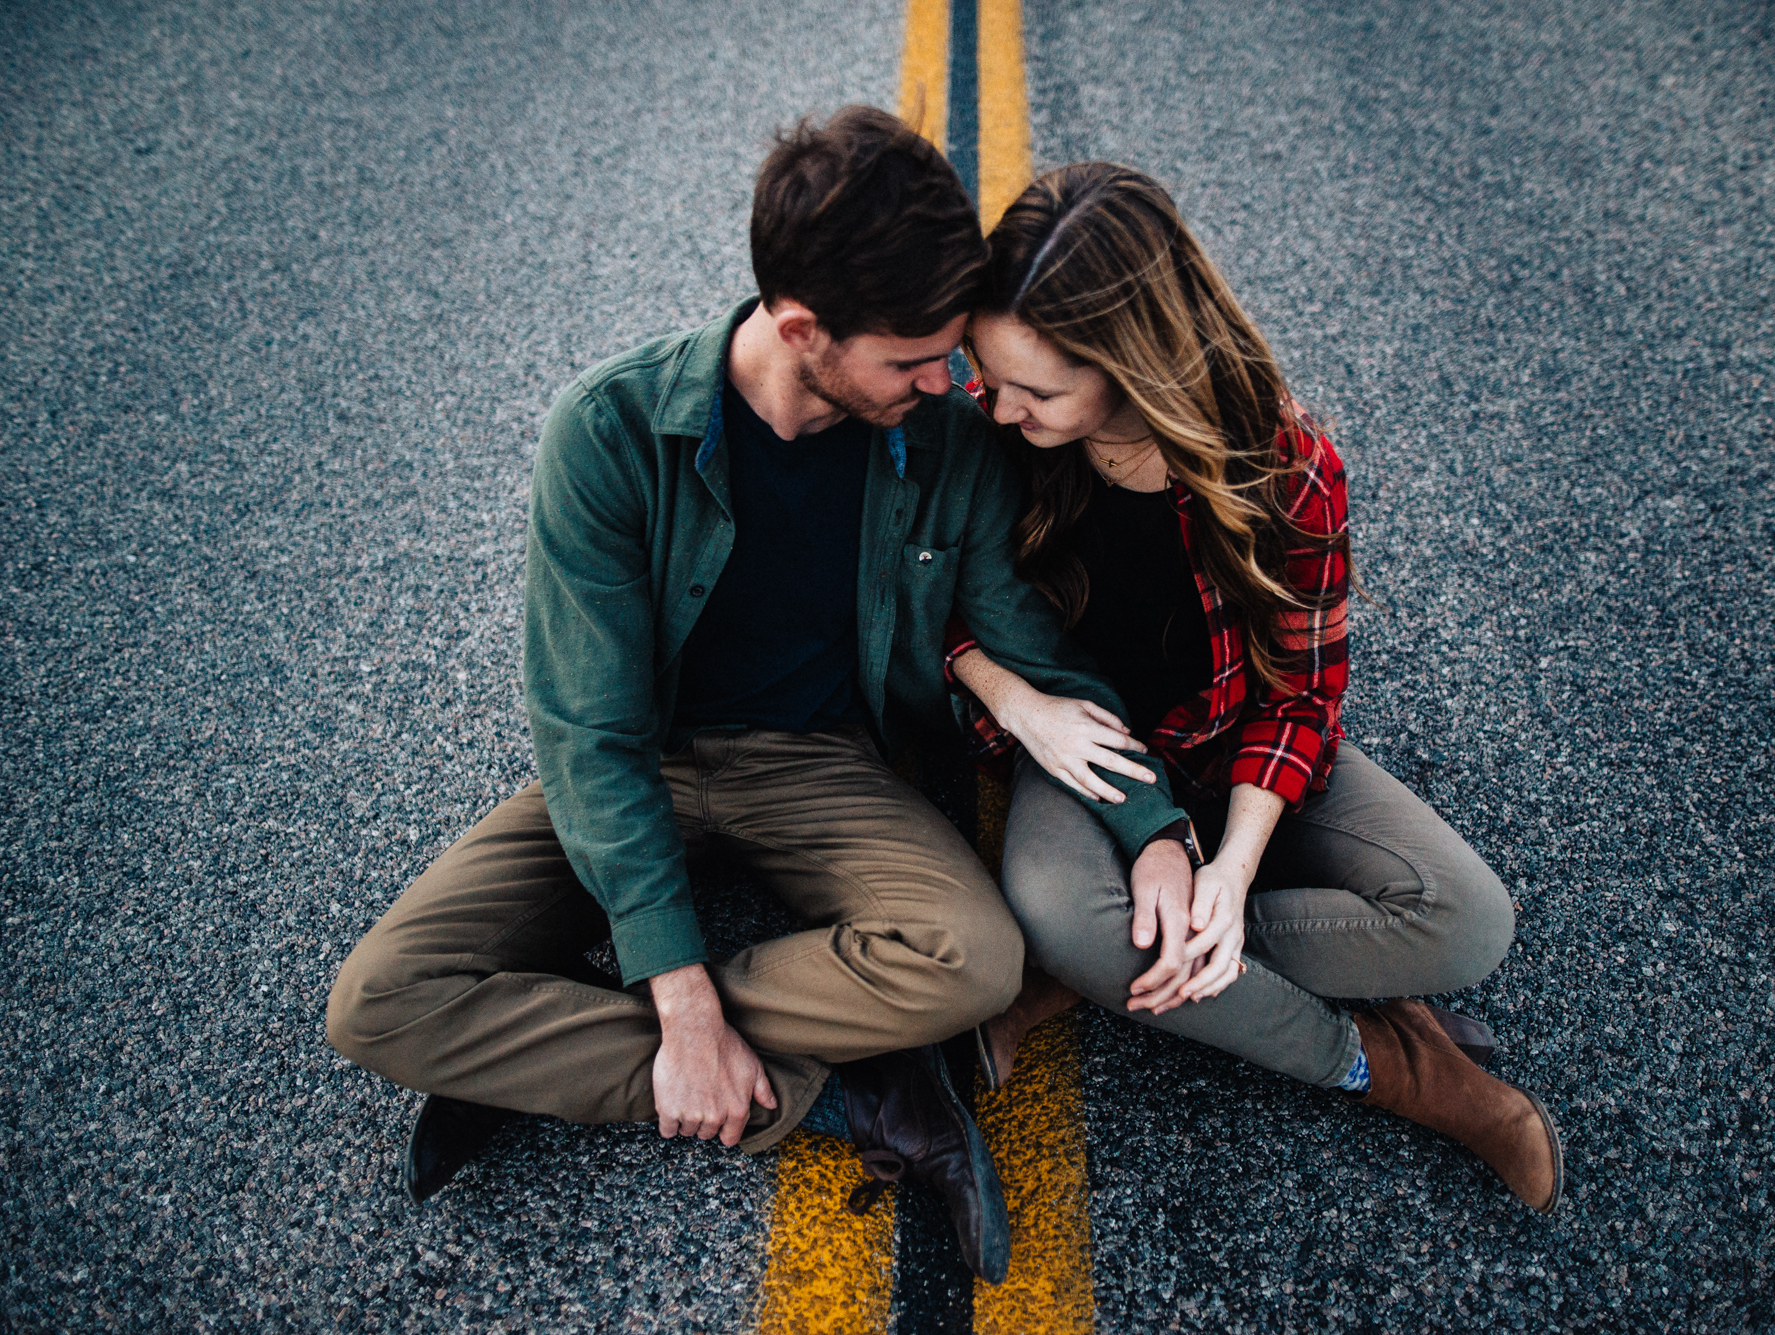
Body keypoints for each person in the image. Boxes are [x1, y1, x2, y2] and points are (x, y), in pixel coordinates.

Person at [324, 112, 1194, 1279]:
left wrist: (1153, 828)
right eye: (911, 359)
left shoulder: (943, 437)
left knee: (971, 959)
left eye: (949, 355)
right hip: (639, 761)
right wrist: (680, 1005)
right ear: (799, 329)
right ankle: (856, 1102)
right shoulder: (609, 433)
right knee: (379, 1004)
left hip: (820, 763)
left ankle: (537, 1050)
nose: (949, 384)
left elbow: (1030, 650)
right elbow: (588, 733)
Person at [944, 163, 1563, 1213]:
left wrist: (1228, 872)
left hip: (1235, 740)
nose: (995, 408)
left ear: (1129, 366)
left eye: (1035, 390)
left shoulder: (1285, 466)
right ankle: (1391, 1065)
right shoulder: (995, 433)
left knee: (1465, 921)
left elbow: (1303, 694)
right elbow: (929, 597)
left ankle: (1108, 973)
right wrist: (1011, 696)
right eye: (985, 375)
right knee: (1059, 909)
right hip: (1088, 747)